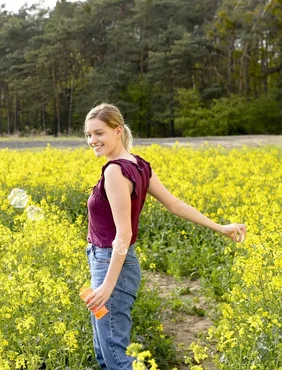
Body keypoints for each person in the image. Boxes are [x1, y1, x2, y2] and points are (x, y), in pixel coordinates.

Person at [81, 103, 246, 369]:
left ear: (118, 131)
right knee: (105, 351)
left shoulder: (114, 171)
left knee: (115, 357)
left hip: (112, 264)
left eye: (99, 133)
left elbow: (124, 232)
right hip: (115, 262)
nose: (92, 141)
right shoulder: (139, 165)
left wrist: (107, 286)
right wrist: (220, 227)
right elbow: (175, 205)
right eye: (88, 135)